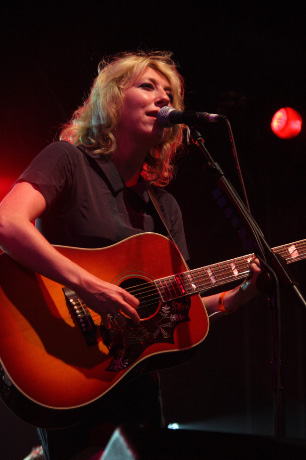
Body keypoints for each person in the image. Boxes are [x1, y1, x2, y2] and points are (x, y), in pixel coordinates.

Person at [0, 51, 261, 460]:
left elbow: (179, 303)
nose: (163, 98)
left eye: (169, 92)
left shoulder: (164, 207)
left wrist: (234, 298)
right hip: (67, 365)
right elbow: (7, 224)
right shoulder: (67, 160)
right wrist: (86, 284)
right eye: (148, 86)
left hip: (136, 384)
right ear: (113, 99)